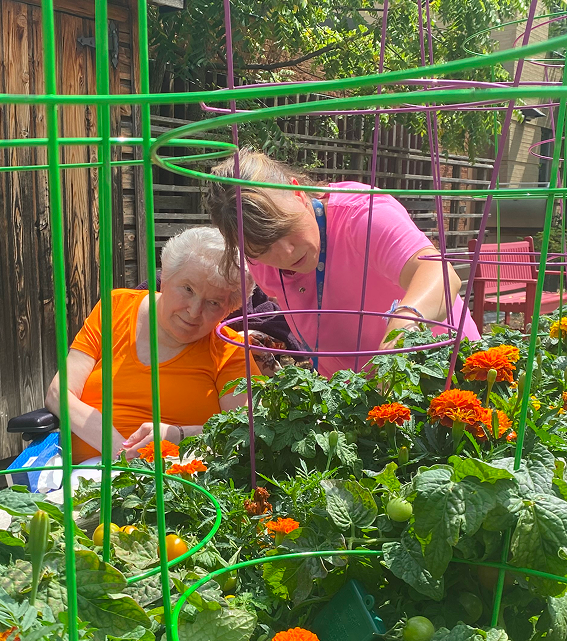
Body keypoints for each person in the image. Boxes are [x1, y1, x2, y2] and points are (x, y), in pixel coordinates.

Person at [206, 148, 480, 377]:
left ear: (298, 193)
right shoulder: (256, 253)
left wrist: (402, 330)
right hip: (361, 393)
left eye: (286, 228)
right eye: (263, 248)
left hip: (445, 372)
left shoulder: (362, 214)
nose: (286, 253)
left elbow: (441, 274)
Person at [45, 225, 259, 464]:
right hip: (87, 475)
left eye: (214, 303)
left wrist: (179, 435)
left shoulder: (231, 351)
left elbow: (248, 431)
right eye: (188, 289)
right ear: (165, 278)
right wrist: (118, 449)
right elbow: (59, 393)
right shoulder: (115, 309)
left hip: (180, 480)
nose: (194, 311)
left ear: (229, 310)